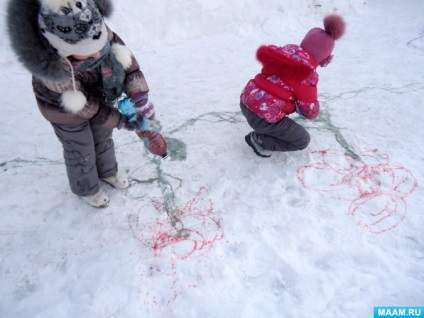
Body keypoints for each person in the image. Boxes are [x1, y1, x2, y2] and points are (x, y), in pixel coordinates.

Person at [6, 0, 166, 208]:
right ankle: (86, 188)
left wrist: (140, 98)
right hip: (66, 112)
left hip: (98, 98)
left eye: (99, 45)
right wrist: (120, 121)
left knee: (102, 137)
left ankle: (108, 171)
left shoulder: (100, 33)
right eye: (89, 51)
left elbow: (129, 67)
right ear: (63, 49)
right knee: (81, 148)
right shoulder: (57, 72)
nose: (98, 53)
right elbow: (86, 107)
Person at [240, 14, 346, 157]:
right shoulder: (307, 76)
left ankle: (263, 126)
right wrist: (307, 109)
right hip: (262, 117)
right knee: (301, 140)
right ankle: (259, 140)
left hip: (246, 101)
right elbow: (310, 111)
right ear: (323, 58)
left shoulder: (282, 52)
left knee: (274, 105)